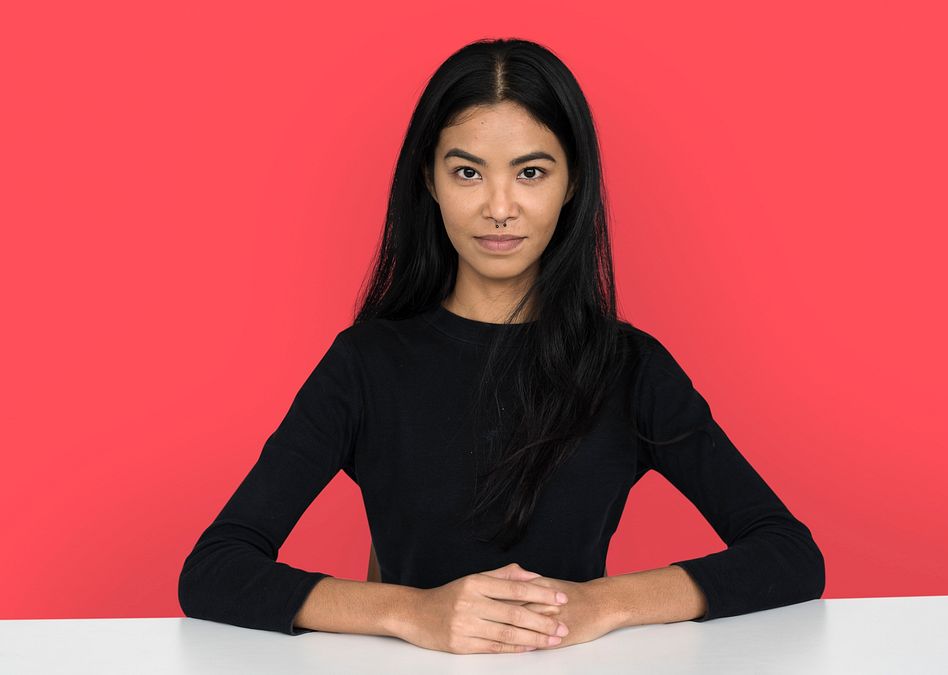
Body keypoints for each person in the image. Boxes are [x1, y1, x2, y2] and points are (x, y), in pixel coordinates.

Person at [177, 37, 825, 655]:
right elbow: (215, 568)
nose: (499, 206)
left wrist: (604, 603)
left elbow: (789, 555)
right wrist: (410, 611)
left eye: (531, 171)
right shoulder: (365, 365)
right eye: (467, 171)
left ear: (572, 183)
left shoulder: (629, 368)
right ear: (429, 180)